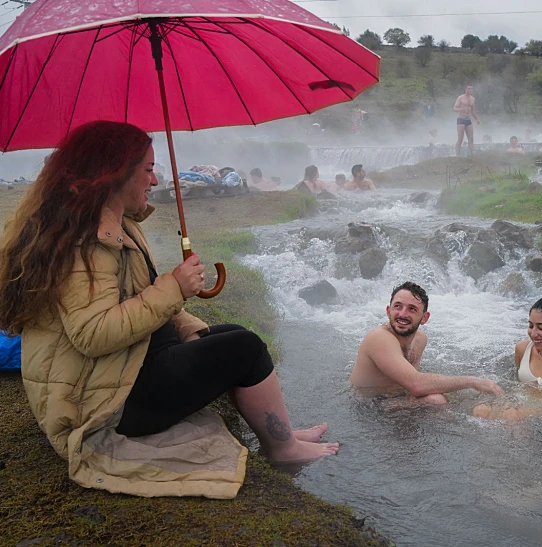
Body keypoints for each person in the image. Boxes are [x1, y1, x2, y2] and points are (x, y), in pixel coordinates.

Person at [0, 121, 338, 498]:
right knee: (245, 348)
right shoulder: (86, 243)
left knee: (226, 335)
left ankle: (283, 432)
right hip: (101, 404)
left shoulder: (116, 224)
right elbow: (92, 335)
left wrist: (187, 325)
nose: (154, 178)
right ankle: (284, 450)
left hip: (124, 368)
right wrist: (174, 287)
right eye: (146, 169)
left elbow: (140, 292)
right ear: (114, 174)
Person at [350, 282, 504, 403]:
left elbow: (413, 383)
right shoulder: (379, 338)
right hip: (369, 406)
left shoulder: (420, 339)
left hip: (395, 398)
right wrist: (473, 382)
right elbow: (416, 385)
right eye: (398, 307)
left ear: (424, 318)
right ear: (388, 311)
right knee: (435, 400)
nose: (402, 314)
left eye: (412, 309)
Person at [454, 85, 480, 156]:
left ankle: (471, 155)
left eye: (471, 89)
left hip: (468, 119)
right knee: (460, 139)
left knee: (471, 139)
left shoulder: (472, 99)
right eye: (469, 88)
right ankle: (457, 155)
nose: (470, 90)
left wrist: (477, 118)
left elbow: (472, 110)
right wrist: (460, 109)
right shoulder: (460, 97)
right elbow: (455, 108)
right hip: (461, 119)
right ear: (465, 89)